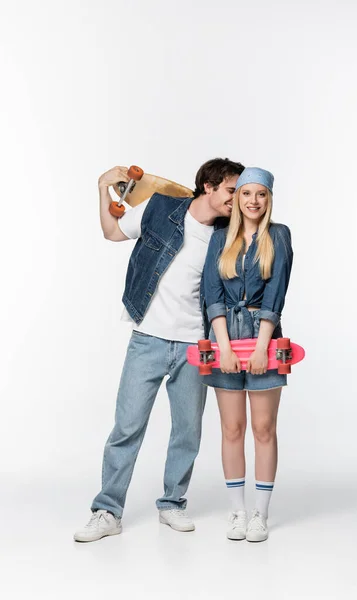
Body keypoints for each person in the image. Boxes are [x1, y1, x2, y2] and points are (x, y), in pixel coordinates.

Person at [74, 158, 245, 542]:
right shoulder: (160, 209)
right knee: (127, 427)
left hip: (195, 344)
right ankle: (107, 511)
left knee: (187, 431)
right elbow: (113, 233)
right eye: (233, 190)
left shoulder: (226, 235)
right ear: (209, 186)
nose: (237, 199)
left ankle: (172, 504)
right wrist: (103, 188)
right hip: (147, 337)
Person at [202, 167, 293, 542]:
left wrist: (260, 347)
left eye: (261, 194)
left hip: (264, 336)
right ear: (236, 198)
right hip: (225, 337)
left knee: (263, 428)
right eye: (246, 194)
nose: (254, 201)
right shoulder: (220, 238)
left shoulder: (279, 235)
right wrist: (222, 345)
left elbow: (276, 295)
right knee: (232, 428)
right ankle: (237, 512)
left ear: (269, 199)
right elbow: (212, 292)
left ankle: (261, 514)